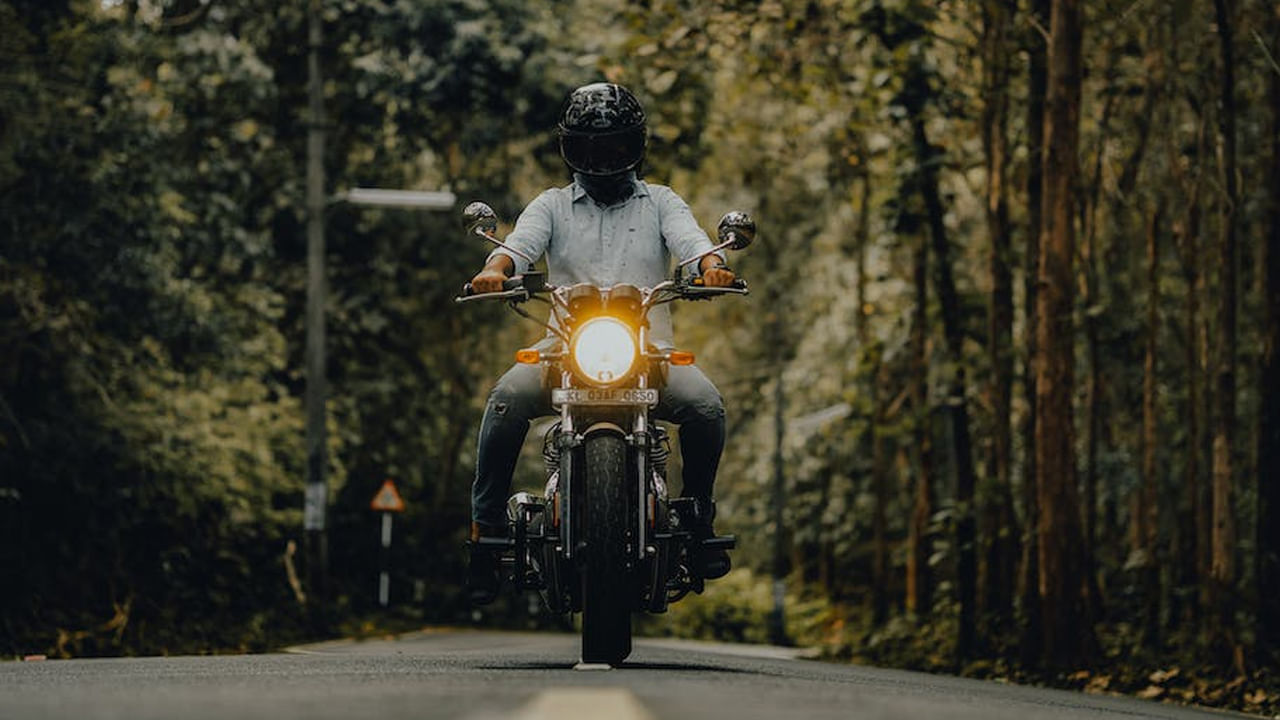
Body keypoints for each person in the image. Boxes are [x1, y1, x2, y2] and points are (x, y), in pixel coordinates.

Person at [466, 82, 736, 606]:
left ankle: (699, 518)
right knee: (503, 401)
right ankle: (485, 534)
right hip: (562, 352)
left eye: (614, 146)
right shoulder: (551, 206)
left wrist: (712, 265)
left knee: (706, 405)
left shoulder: (660, 201)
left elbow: (692, 241)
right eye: (591, 148)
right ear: (571, 150)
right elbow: (517, 249)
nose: (603, 159)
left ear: (635, 146)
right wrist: (492, 270)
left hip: (649, 354)